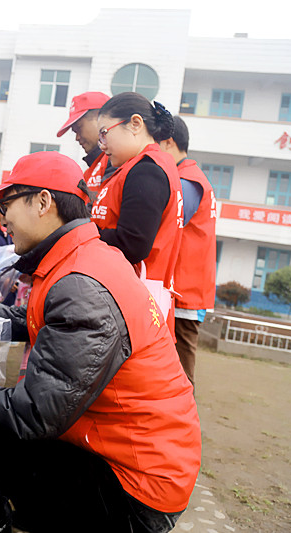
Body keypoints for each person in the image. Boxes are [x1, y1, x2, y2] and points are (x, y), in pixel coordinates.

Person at [0, 151, 201, 533]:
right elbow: (25, 319)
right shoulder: (81, 258)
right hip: (127, 453)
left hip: (137, 484)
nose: (2, 218)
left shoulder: (81, 285)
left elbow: (35, 413)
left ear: (43, 202)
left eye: (6, 205)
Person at [92, 92, 184, 332]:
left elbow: (132, 244)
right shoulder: (139, 167)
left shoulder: (147, 171)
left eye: (104, 133)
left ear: (135, 124)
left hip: (134, 300)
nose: (102, 145)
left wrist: (81, 232)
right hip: (130, 295)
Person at [160, 115, 217, 386]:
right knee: (176, 373)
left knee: (180, 376)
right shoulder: (189, 177)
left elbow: (167, 222)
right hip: (185, 290)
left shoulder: (187, 180)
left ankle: (185, 414)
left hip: (184, 293)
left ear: (169, 142)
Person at [57, 91, 114, 194]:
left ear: (100, 118)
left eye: (79, 128)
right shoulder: (90, 171)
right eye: (75, 132)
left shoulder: (119, 160)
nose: (77, 138)